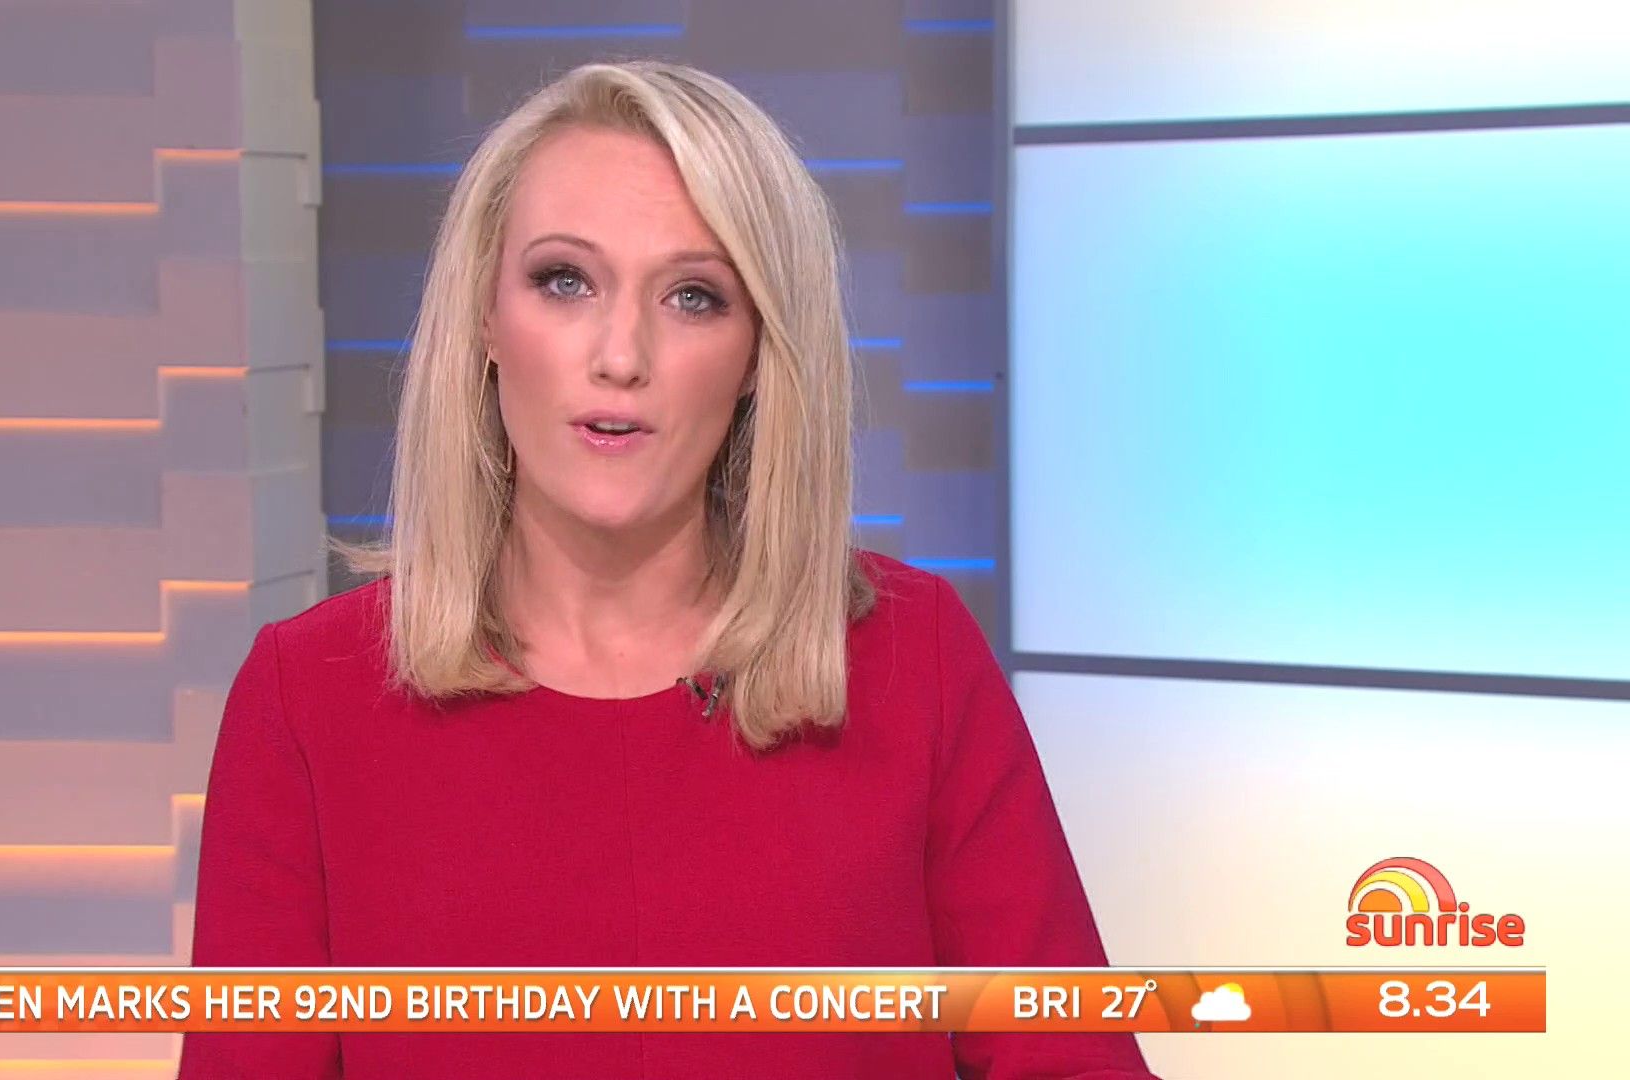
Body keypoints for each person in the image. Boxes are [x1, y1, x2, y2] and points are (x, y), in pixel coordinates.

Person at [179, 60, 1157, 1080]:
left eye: (693, 296)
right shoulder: (308, 701)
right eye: (565, 281)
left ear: (757, 354)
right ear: (483, 319)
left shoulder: (917, 661)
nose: (621, 355)